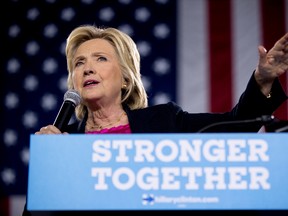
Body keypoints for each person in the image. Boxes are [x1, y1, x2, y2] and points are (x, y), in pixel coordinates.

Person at [23, 24, 288, 215]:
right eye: (78, 63)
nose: (87, 68)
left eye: (100, 58)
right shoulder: (63, 142)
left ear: (126, 77)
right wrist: (47, 169)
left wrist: (263, 79)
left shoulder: (164, 122)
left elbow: (236, 126)